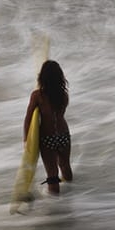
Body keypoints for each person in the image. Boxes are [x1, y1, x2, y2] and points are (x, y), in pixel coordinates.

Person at [24, 59, 73, 195]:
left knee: (52, 174)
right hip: (63, 135)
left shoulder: (37, 96)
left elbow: (28, 118)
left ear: (42, 77)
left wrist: (26, 140)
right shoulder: (64, 95)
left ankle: (56, 204)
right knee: (65, 166)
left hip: (47, 137)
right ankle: (71, 194)